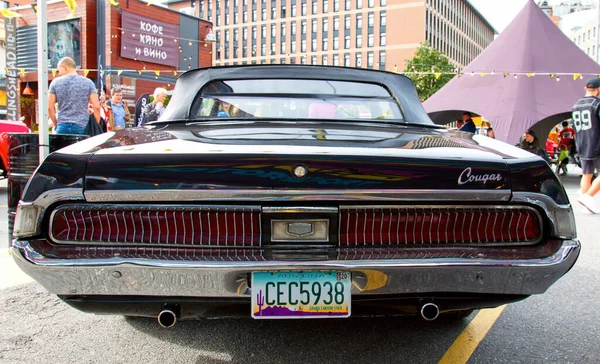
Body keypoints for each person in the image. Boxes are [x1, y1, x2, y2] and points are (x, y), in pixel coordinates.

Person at [48, 57, 100, 135]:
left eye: (59, 70)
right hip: (83, 126)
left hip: (62, 126)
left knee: (62, 147)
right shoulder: (88, 82)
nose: (59, 73)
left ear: (64, 67)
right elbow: (96, 107)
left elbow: (49, 107)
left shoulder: (55, 82)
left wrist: (56, 124)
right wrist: (95, 124)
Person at [572, 78, 600, 213]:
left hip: (582, 144)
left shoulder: (576, 105)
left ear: (585, 88)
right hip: (596, 143)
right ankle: (588, 196)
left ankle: (586, 206)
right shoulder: (597, 104)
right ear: (599, 89)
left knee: (587, 174)